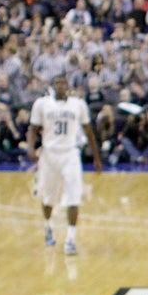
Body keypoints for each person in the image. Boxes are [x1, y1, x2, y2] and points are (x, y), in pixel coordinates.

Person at [27, 74, 102, 255]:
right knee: (48, 197)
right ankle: (48, 226)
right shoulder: (41, 104)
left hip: (70, 154)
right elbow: (33, 129)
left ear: (68, 86)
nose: (61, 86)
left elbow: (89, 131)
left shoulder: (78, 104)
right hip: (49, 154)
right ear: (53, 85)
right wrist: (30, 148)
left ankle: (70, 239)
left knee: (74, 197)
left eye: (64, 83)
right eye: (57, 83)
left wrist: (96, 157)